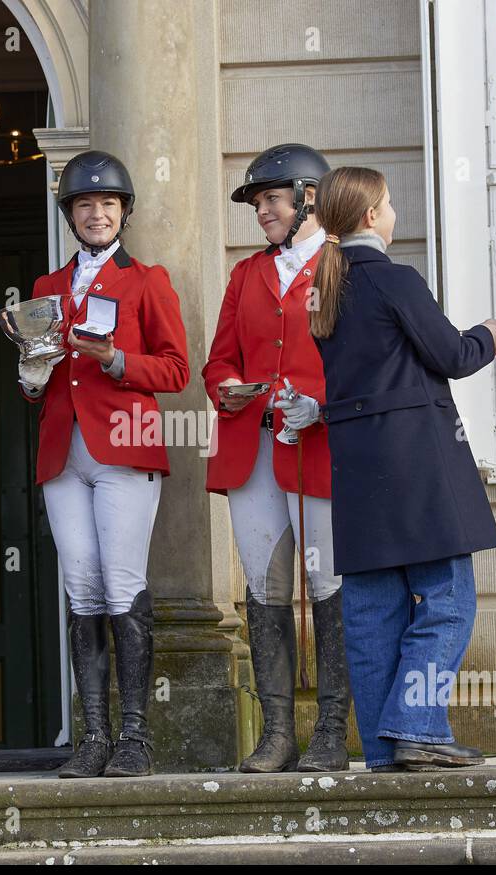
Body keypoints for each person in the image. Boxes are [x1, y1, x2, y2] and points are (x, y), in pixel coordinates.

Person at [311, 166, 496, 771]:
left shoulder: (325, 291)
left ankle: (382, 749)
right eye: (390, 203)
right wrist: (494, 332)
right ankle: (418, 727)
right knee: (446, 600)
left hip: (357, 467)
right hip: (418, 461)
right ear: (371, 216)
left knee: (372, 614)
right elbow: (451, 354)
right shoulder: (395, 279)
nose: (394, 212)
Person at [21, 150, 189, 778]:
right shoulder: (45, 289)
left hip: (125, 444)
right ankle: (92, 738)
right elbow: (38, 380)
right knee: (81, 588)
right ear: (70, 215)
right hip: (64, 452)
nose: (96, 214)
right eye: (85, 205)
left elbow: (175, 369)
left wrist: (118, 360)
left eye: (107, 205)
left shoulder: (148, 280)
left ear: (124, 214)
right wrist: (32, 377)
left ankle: (136, 740)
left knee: (122, 584)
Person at [201, 143, 351, 773]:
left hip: (319, 445)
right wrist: (227, 386)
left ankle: (333, 732)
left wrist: (319, 403)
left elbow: (363, 363)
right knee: (264, 588)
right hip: (253, 445)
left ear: (308, 199)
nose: (261, 211)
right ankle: (278, 733)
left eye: (271, 200)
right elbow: (216, 360)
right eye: (257, 202)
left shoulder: (344, 269)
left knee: (327, 584)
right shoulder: (246, 276)